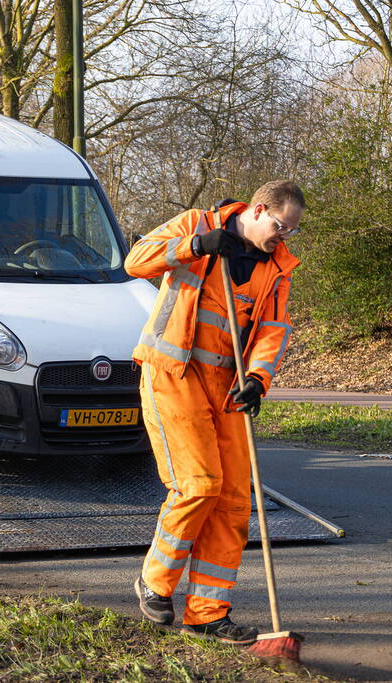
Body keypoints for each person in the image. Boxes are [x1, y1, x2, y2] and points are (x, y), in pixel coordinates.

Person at [125, 180, 304, 645]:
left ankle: (207, 613)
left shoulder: (277, 268)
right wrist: (195, 246)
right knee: (198, 485)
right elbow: (135, 260)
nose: (283, 238)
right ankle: (154, 583)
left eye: (290, 232)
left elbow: (273, 328)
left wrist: (257, 379)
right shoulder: (197, 224)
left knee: (233, 502)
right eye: (281, 227)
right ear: (260, 210)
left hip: (227, 387)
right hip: (173, 374)